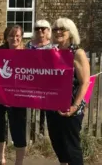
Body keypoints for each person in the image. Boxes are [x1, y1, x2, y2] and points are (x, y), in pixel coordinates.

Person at [46, 18, 90, 165]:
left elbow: (84, 82)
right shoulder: (52, 52)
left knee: (71, 147)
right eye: (56, 29)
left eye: (62, 29)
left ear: (70, 32)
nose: (58, 32)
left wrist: (75, 106)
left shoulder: (78, 53)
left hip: (71, 106)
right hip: (53, 106)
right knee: (58, 145)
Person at [0, 25, 27, 165]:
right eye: (11, 35)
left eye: (17, 36)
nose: (14, 38)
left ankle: (19, 162)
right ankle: (0, 158)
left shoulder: (27, 53)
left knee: (18, 128)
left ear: (21, 37)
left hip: (18, 96)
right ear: (6, 37)